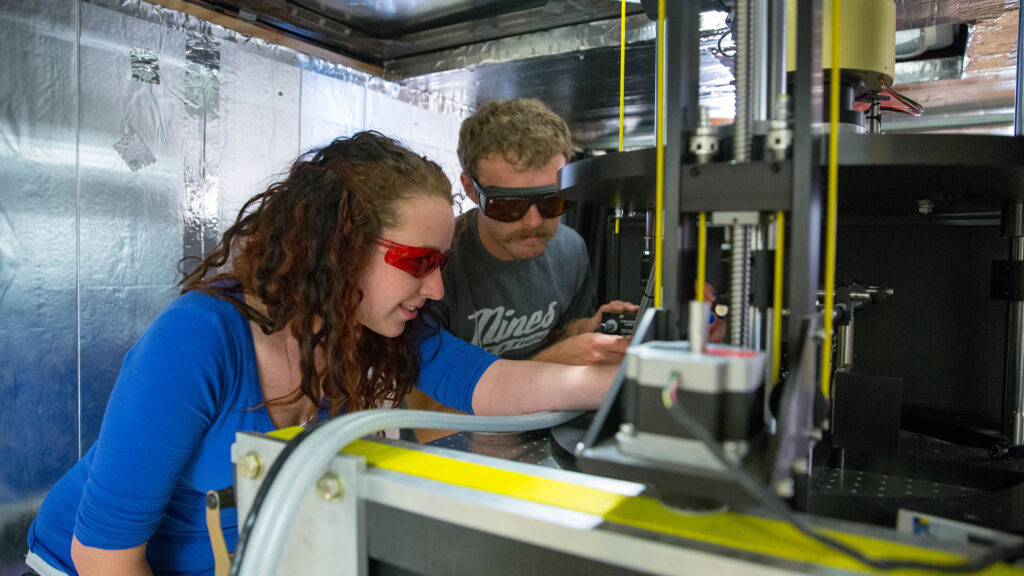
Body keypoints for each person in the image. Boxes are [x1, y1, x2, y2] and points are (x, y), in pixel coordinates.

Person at [25, 132, 617, 576]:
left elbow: (491, 384)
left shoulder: (364, 328)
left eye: (441, 265)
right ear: (339, 248)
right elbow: (103, 555)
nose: (435, 289)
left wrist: (626, 379)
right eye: (419, 263)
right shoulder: (199, 339)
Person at [432, 98, 638, 365]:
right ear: (471, 189)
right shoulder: (436, 266)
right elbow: (425, 404)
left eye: (552, 201)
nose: (533, 222)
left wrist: (585, 329)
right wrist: (551, 360)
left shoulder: (569, 249)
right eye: (509, 205)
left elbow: (559, 330)